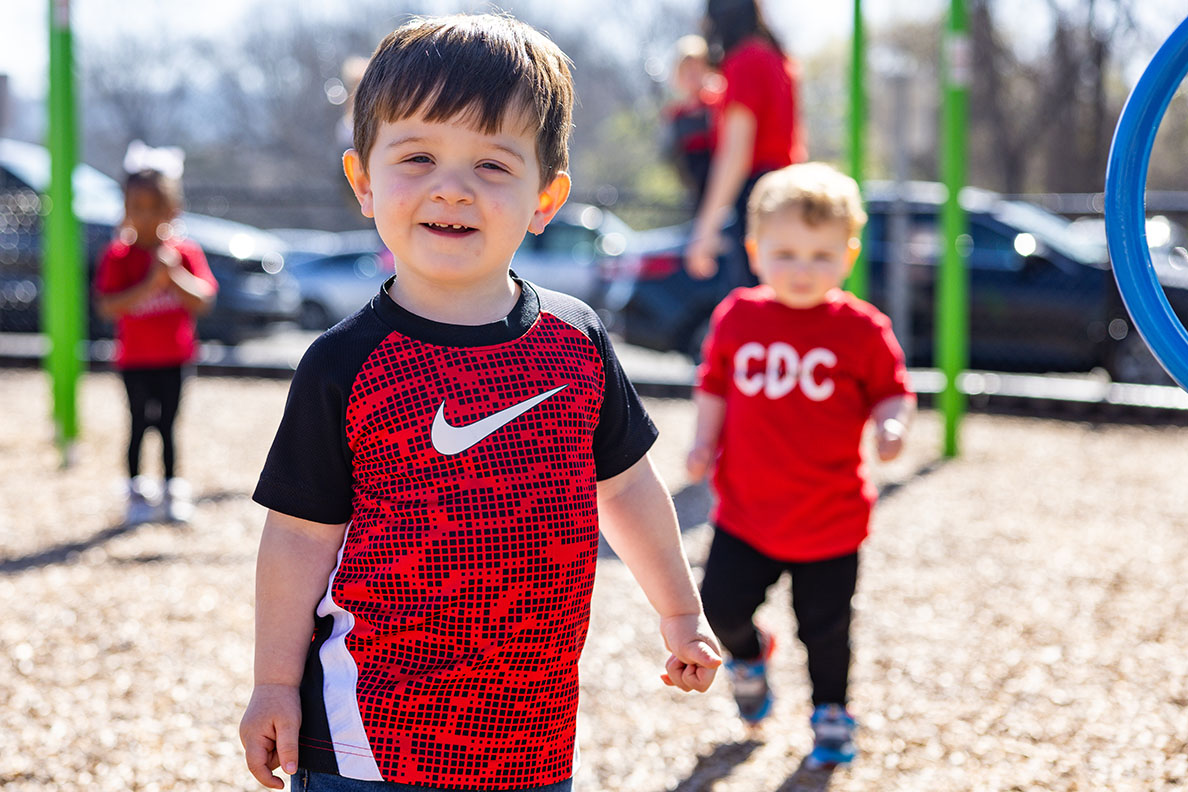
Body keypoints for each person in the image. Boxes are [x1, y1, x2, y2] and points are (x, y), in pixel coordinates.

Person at [238, 14, 721, 792]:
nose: (451, 187)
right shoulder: (344, 363)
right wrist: (270, 683)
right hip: (371, 738)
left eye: (493, 164)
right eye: (419, 156)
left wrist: (679, 613)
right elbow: (297, 538)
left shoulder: (576, 340)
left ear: (546, 197)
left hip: (531, 737)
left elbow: (627, 486)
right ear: (364, 182)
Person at [686, 162, 915, 769]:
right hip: (747, 510)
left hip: (829, 517)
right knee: (720, 608)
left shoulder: (861, 329)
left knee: (826, 629)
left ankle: (832, 712)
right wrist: (701, 443)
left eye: (820, 255)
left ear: (848, 255)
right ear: (756, 251)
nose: (803, 269)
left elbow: (893, 389)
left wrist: (892, 425)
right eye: (786, 253)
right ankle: (751, 653)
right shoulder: (738, 317)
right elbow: (714, 386)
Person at [93, 149, 217, 525]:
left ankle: (171, 487)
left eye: (155, 206)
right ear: (126, 209)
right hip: (134, 360)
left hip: (175, 357)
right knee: (137, 424)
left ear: (172, 209)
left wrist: (174, 276)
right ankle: (134, 489)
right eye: (137, 206)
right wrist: (149, 284)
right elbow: (107, 305)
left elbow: (204, 299)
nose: (146, 216)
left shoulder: (184, 253)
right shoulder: (118, 256)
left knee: (168, 425)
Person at [685, 0, 806, 285]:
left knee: (757, 310)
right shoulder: (777, 57)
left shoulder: (745, 61)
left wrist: (705, 230)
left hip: (758, 196)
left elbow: (735, 153)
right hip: (785, 191)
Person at [661, 35, 723, 207]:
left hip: (722, 187)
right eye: (686, 69)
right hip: (695, 192)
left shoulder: (717, 105)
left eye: (697, 68)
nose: (692, 75)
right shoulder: (675, 116)